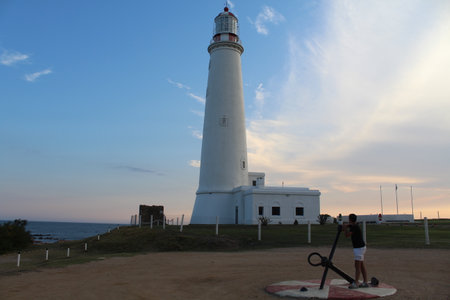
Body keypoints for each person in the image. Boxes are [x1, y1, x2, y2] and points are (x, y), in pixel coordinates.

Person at [343, 213, 368, 289]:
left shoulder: (354, 227)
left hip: (359, 248)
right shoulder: (354, 225)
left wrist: (345, 229)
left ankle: (356, 283)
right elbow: (350, 226)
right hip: (361, 247)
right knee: (361, 265)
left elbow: (347, 235)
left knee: (357, 266)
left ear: (350, 219)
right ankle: (365, 282)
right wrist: (347, 225)